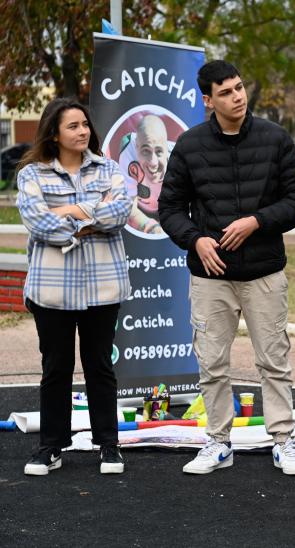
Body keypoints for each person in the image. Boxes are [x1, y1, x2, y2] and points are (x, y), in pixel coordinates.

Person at [159, 60, 295, 475]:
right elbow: (169, 208)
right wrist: (196, 239)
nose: (237, 97)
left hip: (264, 272)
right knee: (212, 364)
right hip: (210, 278)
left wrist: (257, 221)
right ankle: (218, 442)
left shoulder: (274, 138)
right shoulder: (189, 146)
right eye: (225, 92)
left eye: (240, 87)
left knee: (274, 362)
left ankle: (284, 439)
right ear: (207, 100)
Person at [16, 97, 133, 476]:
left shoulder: (109, 168)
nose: (82, 131)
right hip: (53, 290)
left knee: (100, 366)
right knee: (56, 367)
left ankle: (108, 445)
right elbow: (39, 224)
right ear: (54, 133)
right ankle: (51, 446)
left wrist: (66, 211)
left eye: (85, 124)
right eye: (73, 126)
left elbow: (121, 211)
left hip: (103, 287)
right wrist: (93, 212)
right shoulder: (32, 175)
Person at [118, 114, 170, 234]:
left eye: (159, 152)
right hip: (139, 208)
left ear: (167, 149)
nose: (153, 162)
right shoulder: (128, 150)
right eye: (146, 151)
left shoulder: (178, 159)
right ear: (136, 147)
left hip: (168, 210)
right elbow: (127, 205)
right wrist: (151, 227)